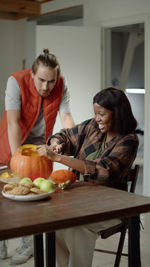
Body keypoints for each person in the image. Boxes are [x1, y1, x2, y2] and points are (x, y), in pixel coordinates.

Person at [37, 87, 139, 267]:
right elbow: (65, 135)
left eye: (102, 114)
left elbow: (103, 170)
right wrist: (57, 144)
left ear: (118, 113)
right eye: (95, 113)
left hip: (112, 206)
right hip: (80, 201)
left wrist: (59, 158)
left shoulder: (129, 140)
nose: (97, 119)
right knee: (54, 223)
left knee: (76, 227)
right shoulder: (93, 126)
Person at [0, 49, 75, 264]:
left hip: (38, 149)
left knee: (31, 196)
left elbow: (67, 118)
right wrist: (17, 159)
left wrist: (75, 149)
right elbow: (13, 123)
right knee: (3, 197)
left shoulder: (61, 85)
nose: (45, 87)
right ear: (32, 74)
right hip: (10, 145)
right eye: (41, 80)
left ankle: (28, 245)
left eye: (50, 82)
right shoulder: (16, 81)